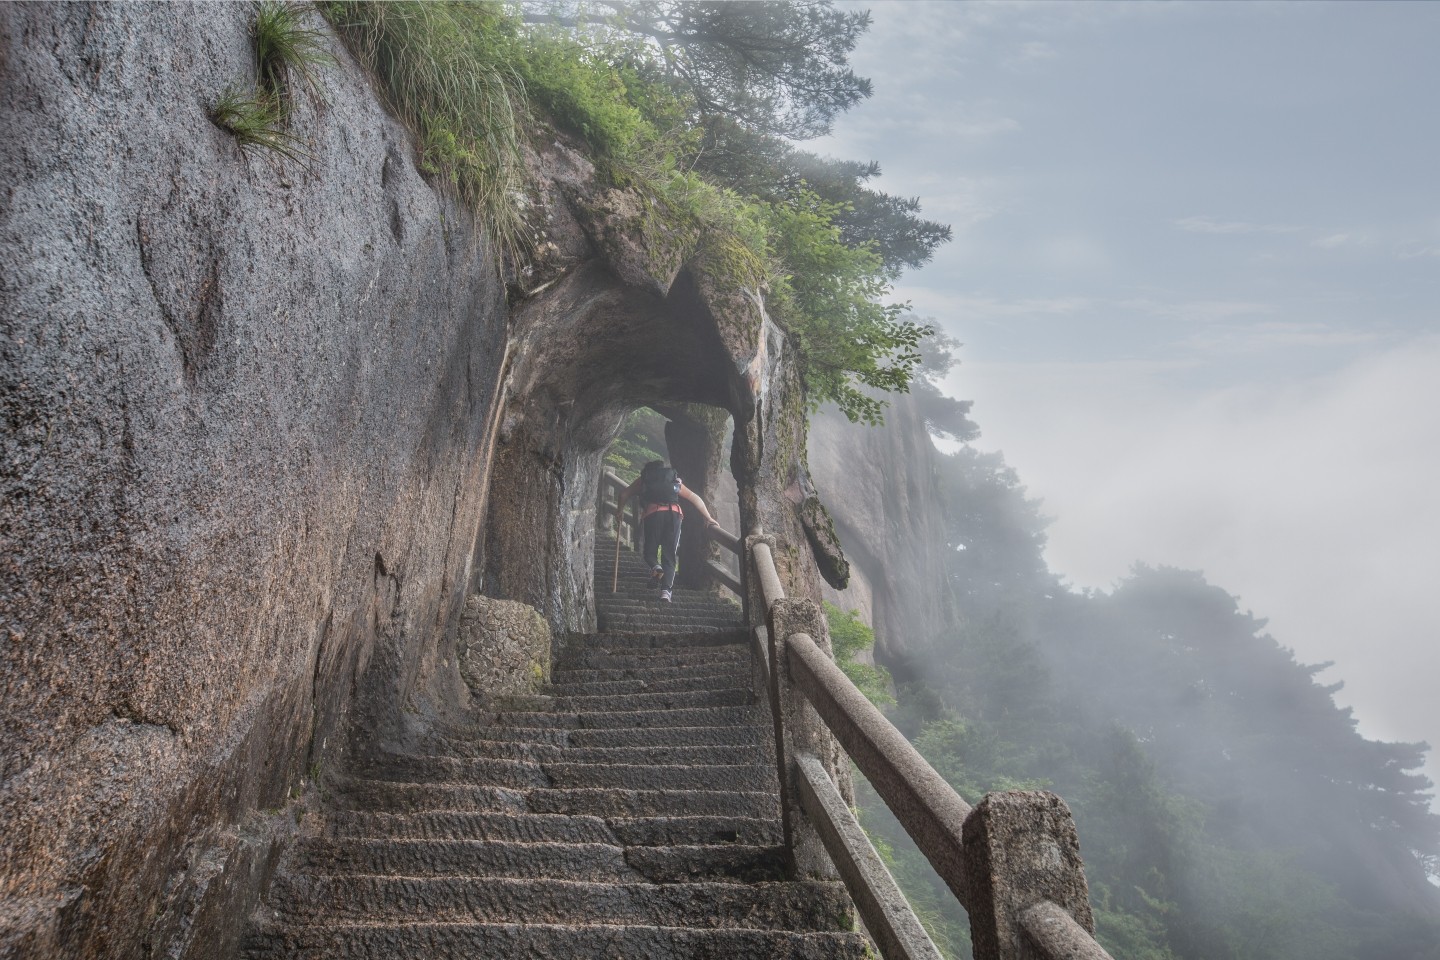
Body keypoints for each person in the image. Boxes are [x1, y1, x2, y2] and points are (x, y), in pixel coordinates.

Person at [617, 460, 720, 602]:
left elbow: (623, 494)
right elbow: (695, 498)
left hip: (652, 515)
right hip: (674, 515)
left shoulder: (645, 479)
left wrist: (619, 511)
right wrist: (708, 517)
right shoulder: (673, 480)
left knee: (649, 553)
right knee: (669, 555)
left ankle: (656, 567)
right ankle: (666, 592)